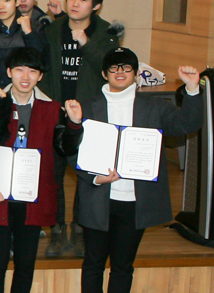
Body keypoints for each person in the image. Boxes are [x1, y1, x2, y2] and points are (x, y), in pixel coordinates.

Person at [73, 51, 204, 293]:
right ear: (104, 73)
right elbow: (71, 151)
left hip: (135, 202)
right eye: (114, 68)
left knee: (123, 266)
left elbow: (187, 124)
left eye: (126, 68)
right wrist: (94, 177)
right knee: (92, 265)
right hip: (97, 198)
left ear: (135, 74)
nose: (120, 72)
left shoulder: (154, 107)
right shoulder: (87, 107)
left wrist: (193, 89)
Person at [0, 48, 82, 293]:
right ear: (9, 72)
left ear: (40, 76)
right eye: (19, 70)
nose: (25, 77)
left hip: (32, 198)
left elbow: (65, 148)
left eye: (32, 71)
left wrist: (74, 124)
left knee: (25, 265)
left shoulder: (52, 109)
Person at [41, 0, 121, 257]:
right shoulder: (53, 29)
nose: (75, 3)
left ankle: (81, 228)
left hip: (90, 115)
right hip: (56, 111)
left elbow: (112, 70)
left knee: (87, 174)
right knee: (54, 175)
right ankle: (57, 230)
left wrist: (86, 43)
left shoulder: (106, 33)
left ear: (96, 5)